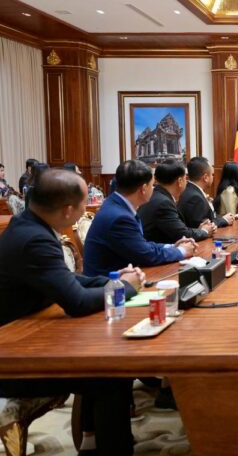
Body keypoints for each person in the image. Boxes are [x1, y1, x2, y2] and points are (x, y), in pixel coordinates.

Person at [0, 168, 144, 455]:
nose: (85, 210)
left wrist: (112, 281)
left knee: (106, 361)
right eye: (83, 204)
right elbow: (77, 302)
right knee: (110, 375)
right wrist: (126, 288)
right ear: (68, 210)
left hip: (27, 337)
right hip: (13, 361)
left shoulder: (28, 225)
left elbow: (66, 280)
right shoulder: (35, 240)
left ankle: (92, 443)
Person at [83, 160, 197, 277]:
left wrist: (172, 246)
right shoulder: (119, 217)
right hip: (108, 283)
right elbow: (146, 255)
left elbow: (140, 244)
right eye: (152, 185)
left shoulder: (117, 204)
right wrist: (182, 251)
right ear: (143, 189)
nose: (154, 189)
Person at [138, 159, 216, 244]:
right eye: (185, 179)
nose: (187, 182)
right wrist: (205, 231)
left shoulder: (157, 195)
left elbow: (178, 228)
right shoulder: (163, 203)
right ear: (180, 181)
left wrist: (199, 230)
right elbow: (182, 234)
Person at [178, 156, 235, 230]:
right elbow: (203, 227)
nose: (213, 177)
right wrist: (224, 220)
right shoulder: (195, 197)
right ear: (205, 177)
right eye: (212, 174)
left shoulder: (191, 190)